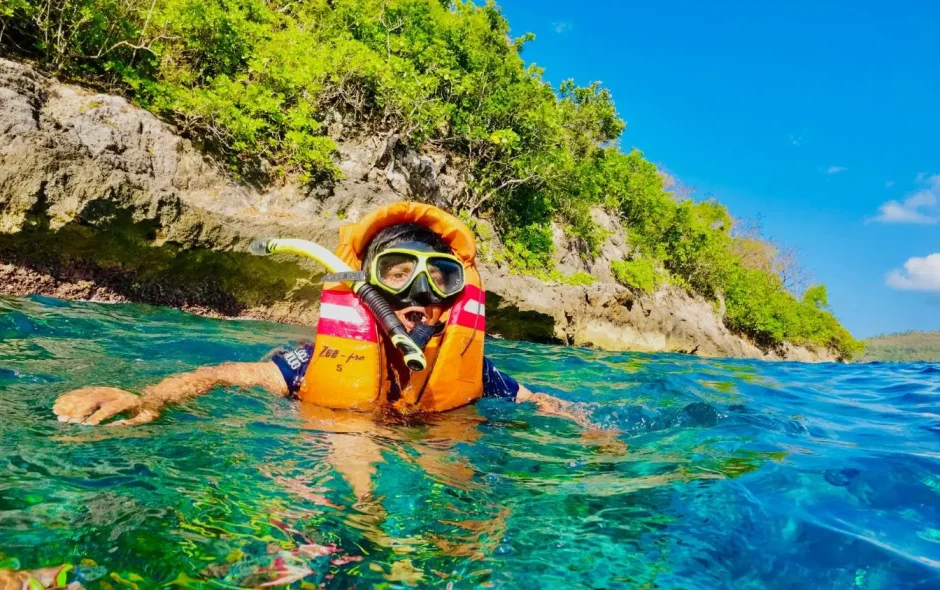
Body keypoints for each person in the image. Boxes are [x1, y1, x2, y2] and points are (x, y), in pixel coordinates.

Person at [52, 202, 593, 428]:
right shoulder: (317, 362)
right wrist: (149, 399)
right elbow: (221, 375)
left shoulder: (476, 375)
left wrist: (592, 432)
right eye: (397, 274)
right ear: (365, 287)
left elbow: (541, 402)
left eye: (441, 279)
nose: (420, 296)